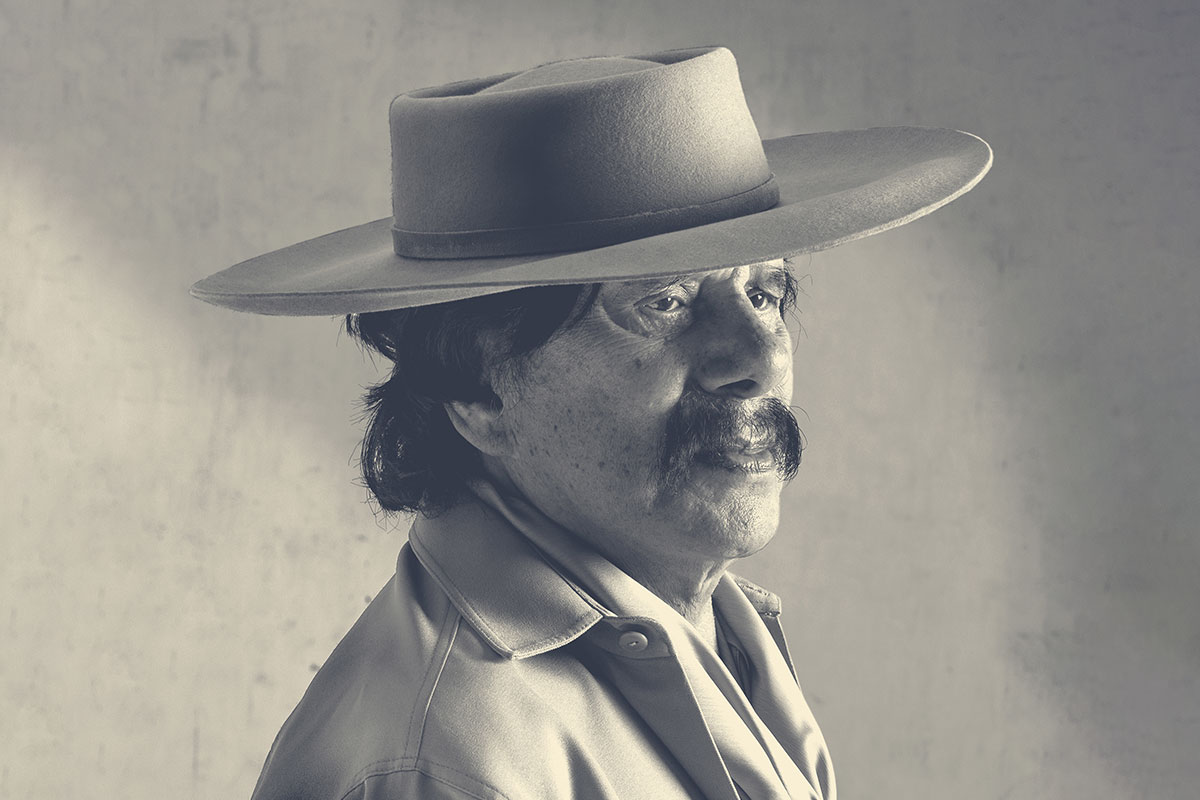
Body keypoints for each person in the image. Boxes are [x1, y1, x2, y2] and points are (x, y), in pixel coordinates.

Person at [192, 46, 990, 800]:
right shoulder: (453, 767)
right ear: (479, 391)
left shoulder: (709, 629)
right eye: (664, 302)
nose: (758, 359)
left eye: (764, 292)